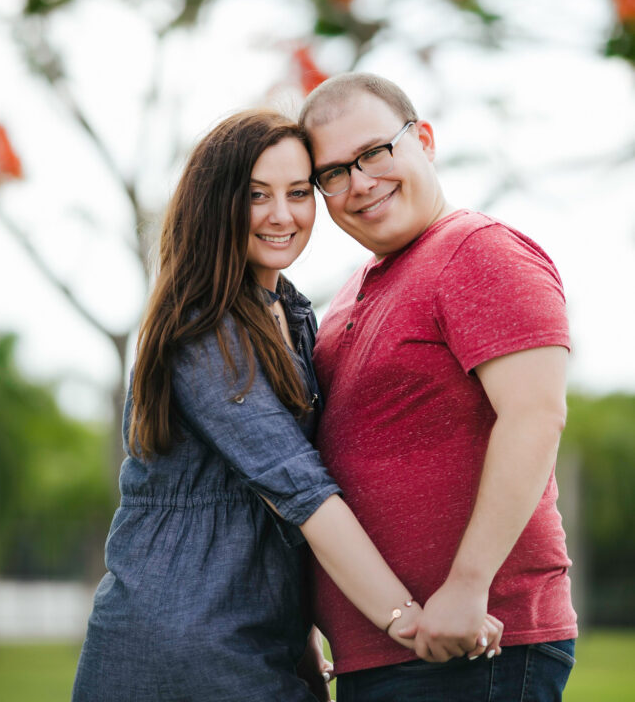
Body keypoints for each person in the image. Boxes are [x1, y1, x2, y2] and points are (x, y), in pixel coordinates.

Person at [72, 109, 503, 702]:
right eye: (256, 195)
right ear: (215, 203)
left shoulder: (294, 316)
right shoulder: (204, 328)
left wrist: (303, 643)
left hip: (263, 641)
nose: (283, 215)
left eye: (299, 192)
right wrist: (405, 619)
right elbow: (299, 490)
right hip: (177, 646)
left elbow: (272, 520)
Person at [301, 73, 578, 702]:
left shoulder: (478, 252)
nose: (360, 183)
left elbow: (534, 415)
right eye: (334, 173)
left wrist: (467, 584)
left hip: (475, 644)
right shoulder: (354, 287)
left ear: (423, 139)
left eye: (374, 152)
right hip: (388, 651)